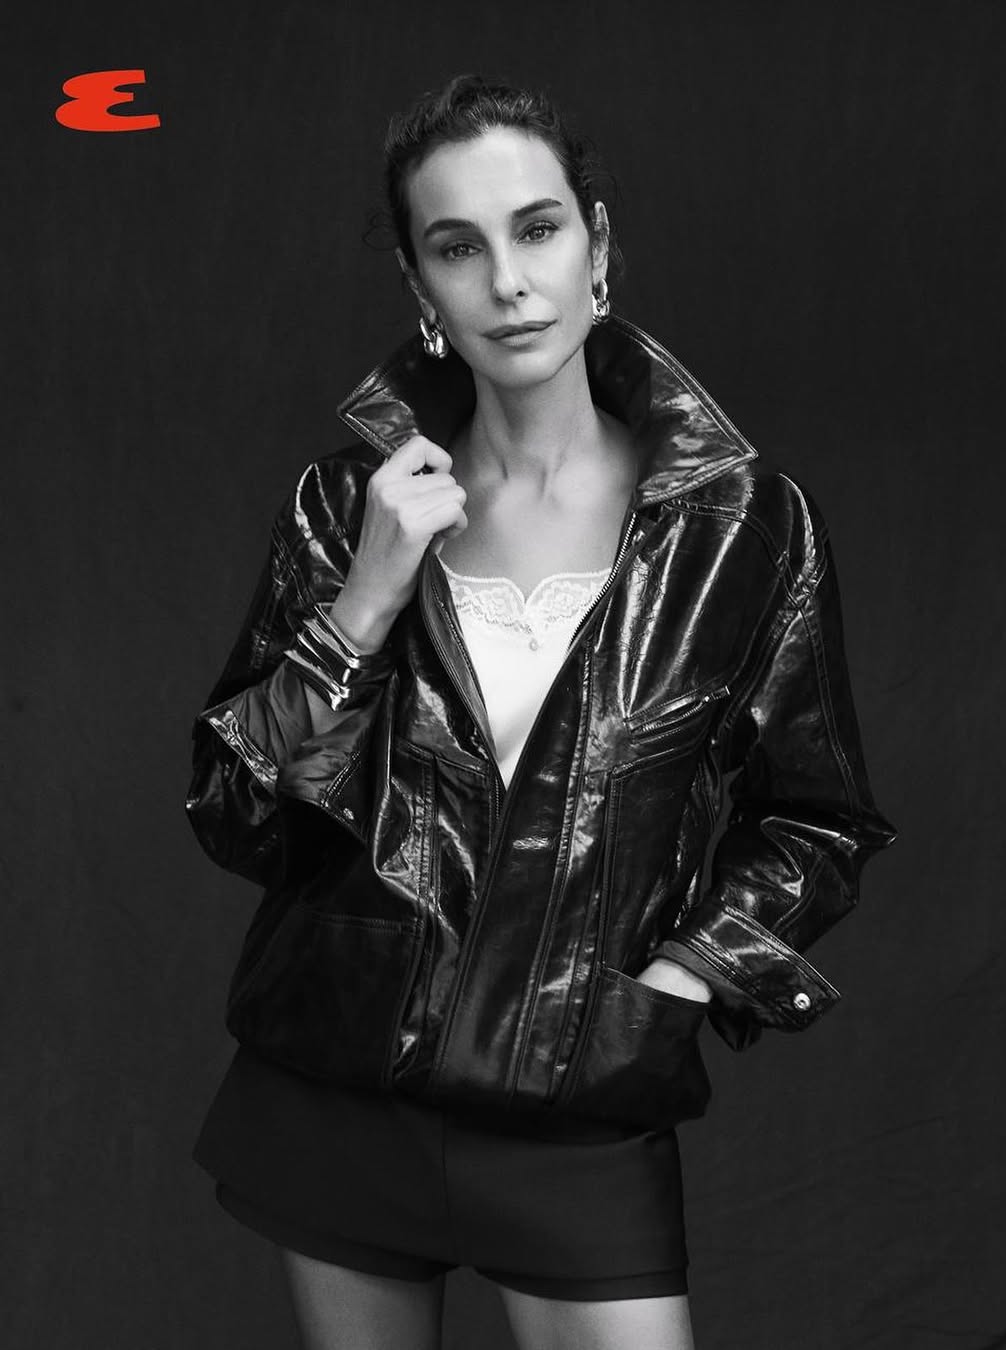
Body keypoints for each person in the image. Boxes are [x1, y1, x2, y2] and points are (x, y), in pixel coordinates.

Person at [186, 73, 897, 1350]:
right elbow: (235, 817)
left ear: (597, 244)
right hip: (337, 1087)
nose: (508, 282)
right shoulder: (349, 506)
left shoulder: (741, 530)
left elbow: (819, 819)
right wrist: (361, 605)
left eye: (538, 228)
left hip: (579, 1095)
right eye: (458, 247)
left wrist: (675, 983)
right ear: (419, 283)